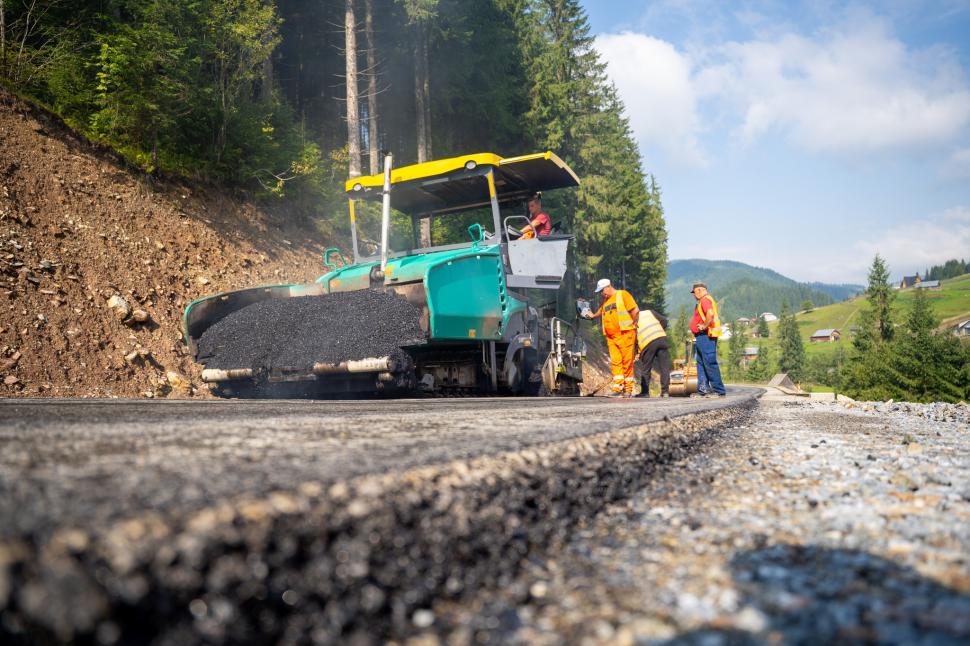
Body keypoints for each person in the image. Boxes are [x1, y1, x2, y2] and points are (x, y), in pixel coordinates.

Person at [583, 278, 639, 397]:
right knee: (616, 362)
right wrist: (593, 315)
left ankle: (628, 389)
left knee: (627, 362)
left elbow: (635, 310)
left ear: (608, 286)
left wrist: (634, 324)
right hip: (611, 337)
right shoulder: (606, 301)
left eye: (602, 291)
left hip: (625, 334)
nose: (602, 294)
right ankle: (617, 388)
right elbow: (601, 310)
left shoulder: (622, 295)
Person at [689, 281, 726, 397]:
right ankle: (703, 389)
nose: (693, 295)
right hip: (701, 337)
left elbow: (709, 313)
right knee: (701, 363)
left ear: (700, 290)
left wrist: (704, 326)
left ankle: (719, 390)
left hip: (706, 336)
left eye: (694, 292)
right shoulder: (703, 301)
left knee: (709, 362)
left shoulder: (705, 300)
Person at [636, 308, 671, 398]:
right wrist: (659, 330)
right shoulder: (649, 312)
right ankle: (665, 392)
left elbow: (632, 337)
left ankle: (645, 392)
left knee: (646, 368)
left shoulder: (632, 319)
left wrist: (637, 351)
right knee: (664, 367)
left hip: (647, 342)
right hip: (661, 338)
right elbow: (664, 320)